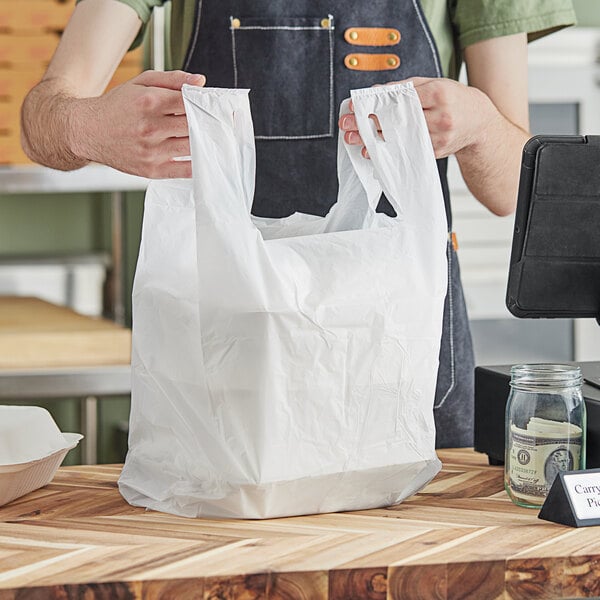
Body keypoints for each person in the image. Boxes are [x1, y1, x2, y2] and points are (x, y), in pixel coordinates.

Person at [21, 0, 576, 447]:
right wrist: (88, 126)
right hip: (231, 347)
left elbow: (509, 190)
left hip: (400, 351)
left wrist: (479, 123)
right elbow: (39, 121)